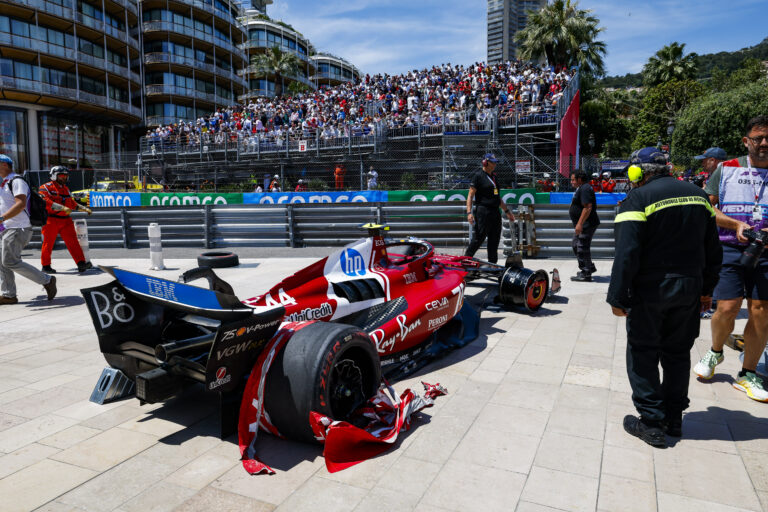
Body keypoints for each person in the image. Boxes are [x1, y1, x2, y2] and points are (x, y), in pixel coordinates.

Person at [607, 147, 721, 447]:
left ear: (636, 172)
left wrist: (618, 297)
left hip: (652, 290)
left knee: (643, 352)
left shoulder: (638, 199)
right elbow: (713, 250)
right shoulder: (699, 196)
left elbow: (626, 254)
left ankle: (652, 422)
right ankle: (674, 417)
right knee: (677, 353)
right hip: (690, 289)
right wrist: (707, 290)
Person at [694, 116, 768, 402]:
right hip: (730, 247)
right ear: (746, 141)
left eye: (767, 138)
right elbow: (706, 207)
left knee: (761, 310)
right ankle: (715, 352)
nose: (764, 143)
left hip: (766, 251)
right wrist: (736, 225)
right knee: (726, 307)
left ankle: (747, 374)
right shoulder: (726, 169)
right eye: (758, 137)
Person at [0, 154, 57, 303]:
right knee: (2, 261)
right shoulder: (4, 183)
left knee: (10, 261)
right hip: (7, 227)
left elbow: (20, 204)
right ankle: (8, 295)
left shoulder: (16, 180)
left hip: (18, 228)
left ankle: (47, 280)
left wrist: (1, 218)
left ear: (4, 165)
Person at [38, 166, 92, 274]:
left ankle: (81, 263)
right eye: (62, 175)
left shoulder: (66, 189)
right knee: (48, 244)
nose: (64, 178)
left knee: (73, 242)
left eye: (66, 176)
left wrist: (84, 208)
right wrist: (62, 208)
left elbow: (72, 204)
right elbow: (46, 202)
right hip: (51, 220)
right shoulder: (45, 187)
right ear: (54, 175)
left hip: (66, 220)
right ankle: (46, 266)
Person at [464, 153, 515, 263]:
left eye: (496, 162)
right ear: (485, 162)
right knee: (479, 238)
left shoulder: (495, 177)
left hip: (495, 211)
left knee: (494, 239)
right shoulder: (478, 176)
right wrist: (469, 213)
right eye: (493, 162)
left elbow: (497, 197)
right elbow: (470, 195)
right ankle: (466, 260)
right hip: (483, 211)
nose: (495, 164)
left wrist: (507, 211)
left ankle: (493, 265)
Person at [569, 171, 600, 281]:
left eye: (573, 179)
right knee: (575, 245)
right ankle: (589, 267)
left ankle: (586, 273)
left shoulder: (585, 188)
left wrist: (579, 224)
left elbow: (587, 207)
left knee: (582, 247)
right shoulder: (582, 188)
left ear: (579, 179)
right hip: (583, 224)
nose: (571, 182)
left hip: (587, 224)